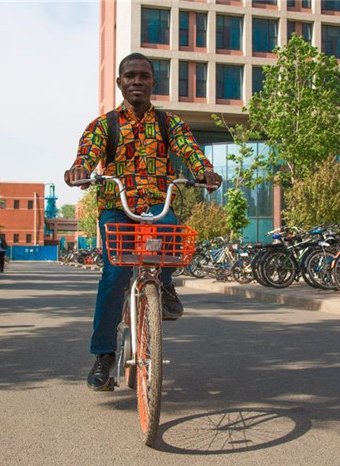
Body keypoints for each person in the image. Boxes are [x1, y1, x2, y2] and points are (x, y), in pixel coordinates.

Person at [65, 52, 222, 391]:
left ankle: (163, 284)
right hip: (117, 207)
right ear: (120, 82)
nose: (136, 81)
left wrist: (204, 171)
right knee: (115, 273)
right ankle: (104, 355)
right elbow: (87, 154)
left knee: (171, 239)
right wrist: (80, 169)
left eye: (143, 76)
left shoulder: (169, 124)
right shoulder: (103, 125)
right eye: (130, 76)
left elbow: (191, 151)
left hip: (156, 205)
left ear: (153, 83)